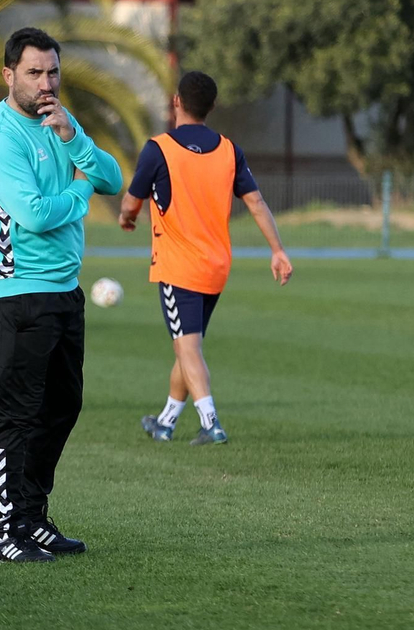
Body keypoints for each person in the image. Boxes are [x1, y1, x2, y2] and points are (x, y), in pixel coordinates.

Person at [0, 28, 122, 564]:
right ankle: (6, 532)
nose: (45, 83)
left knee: (62, 406)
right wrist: (81, 187)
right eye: (34, 72)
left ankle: (32, 517)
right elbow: (35, 215)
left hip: (63, 290)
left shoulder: (59, 120)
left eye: (52, 71)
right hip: (15, 294)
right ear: (8, 74)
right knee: (16, 414)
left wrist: (75, 140)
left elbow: (112, 178)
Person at [119, 70, 293, 446]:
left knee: (187, 347)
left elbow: (132, 200)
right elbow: (256, 201)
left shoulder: (159, 148)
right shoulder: (230, 150)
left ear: (176, 102)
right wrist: (277, 249)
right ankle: (165, 422)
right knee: (188, 346)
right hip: (216, 267)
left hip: (178, 267)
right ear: (212, 106)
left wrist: (127, 218)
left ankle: (210, 422)